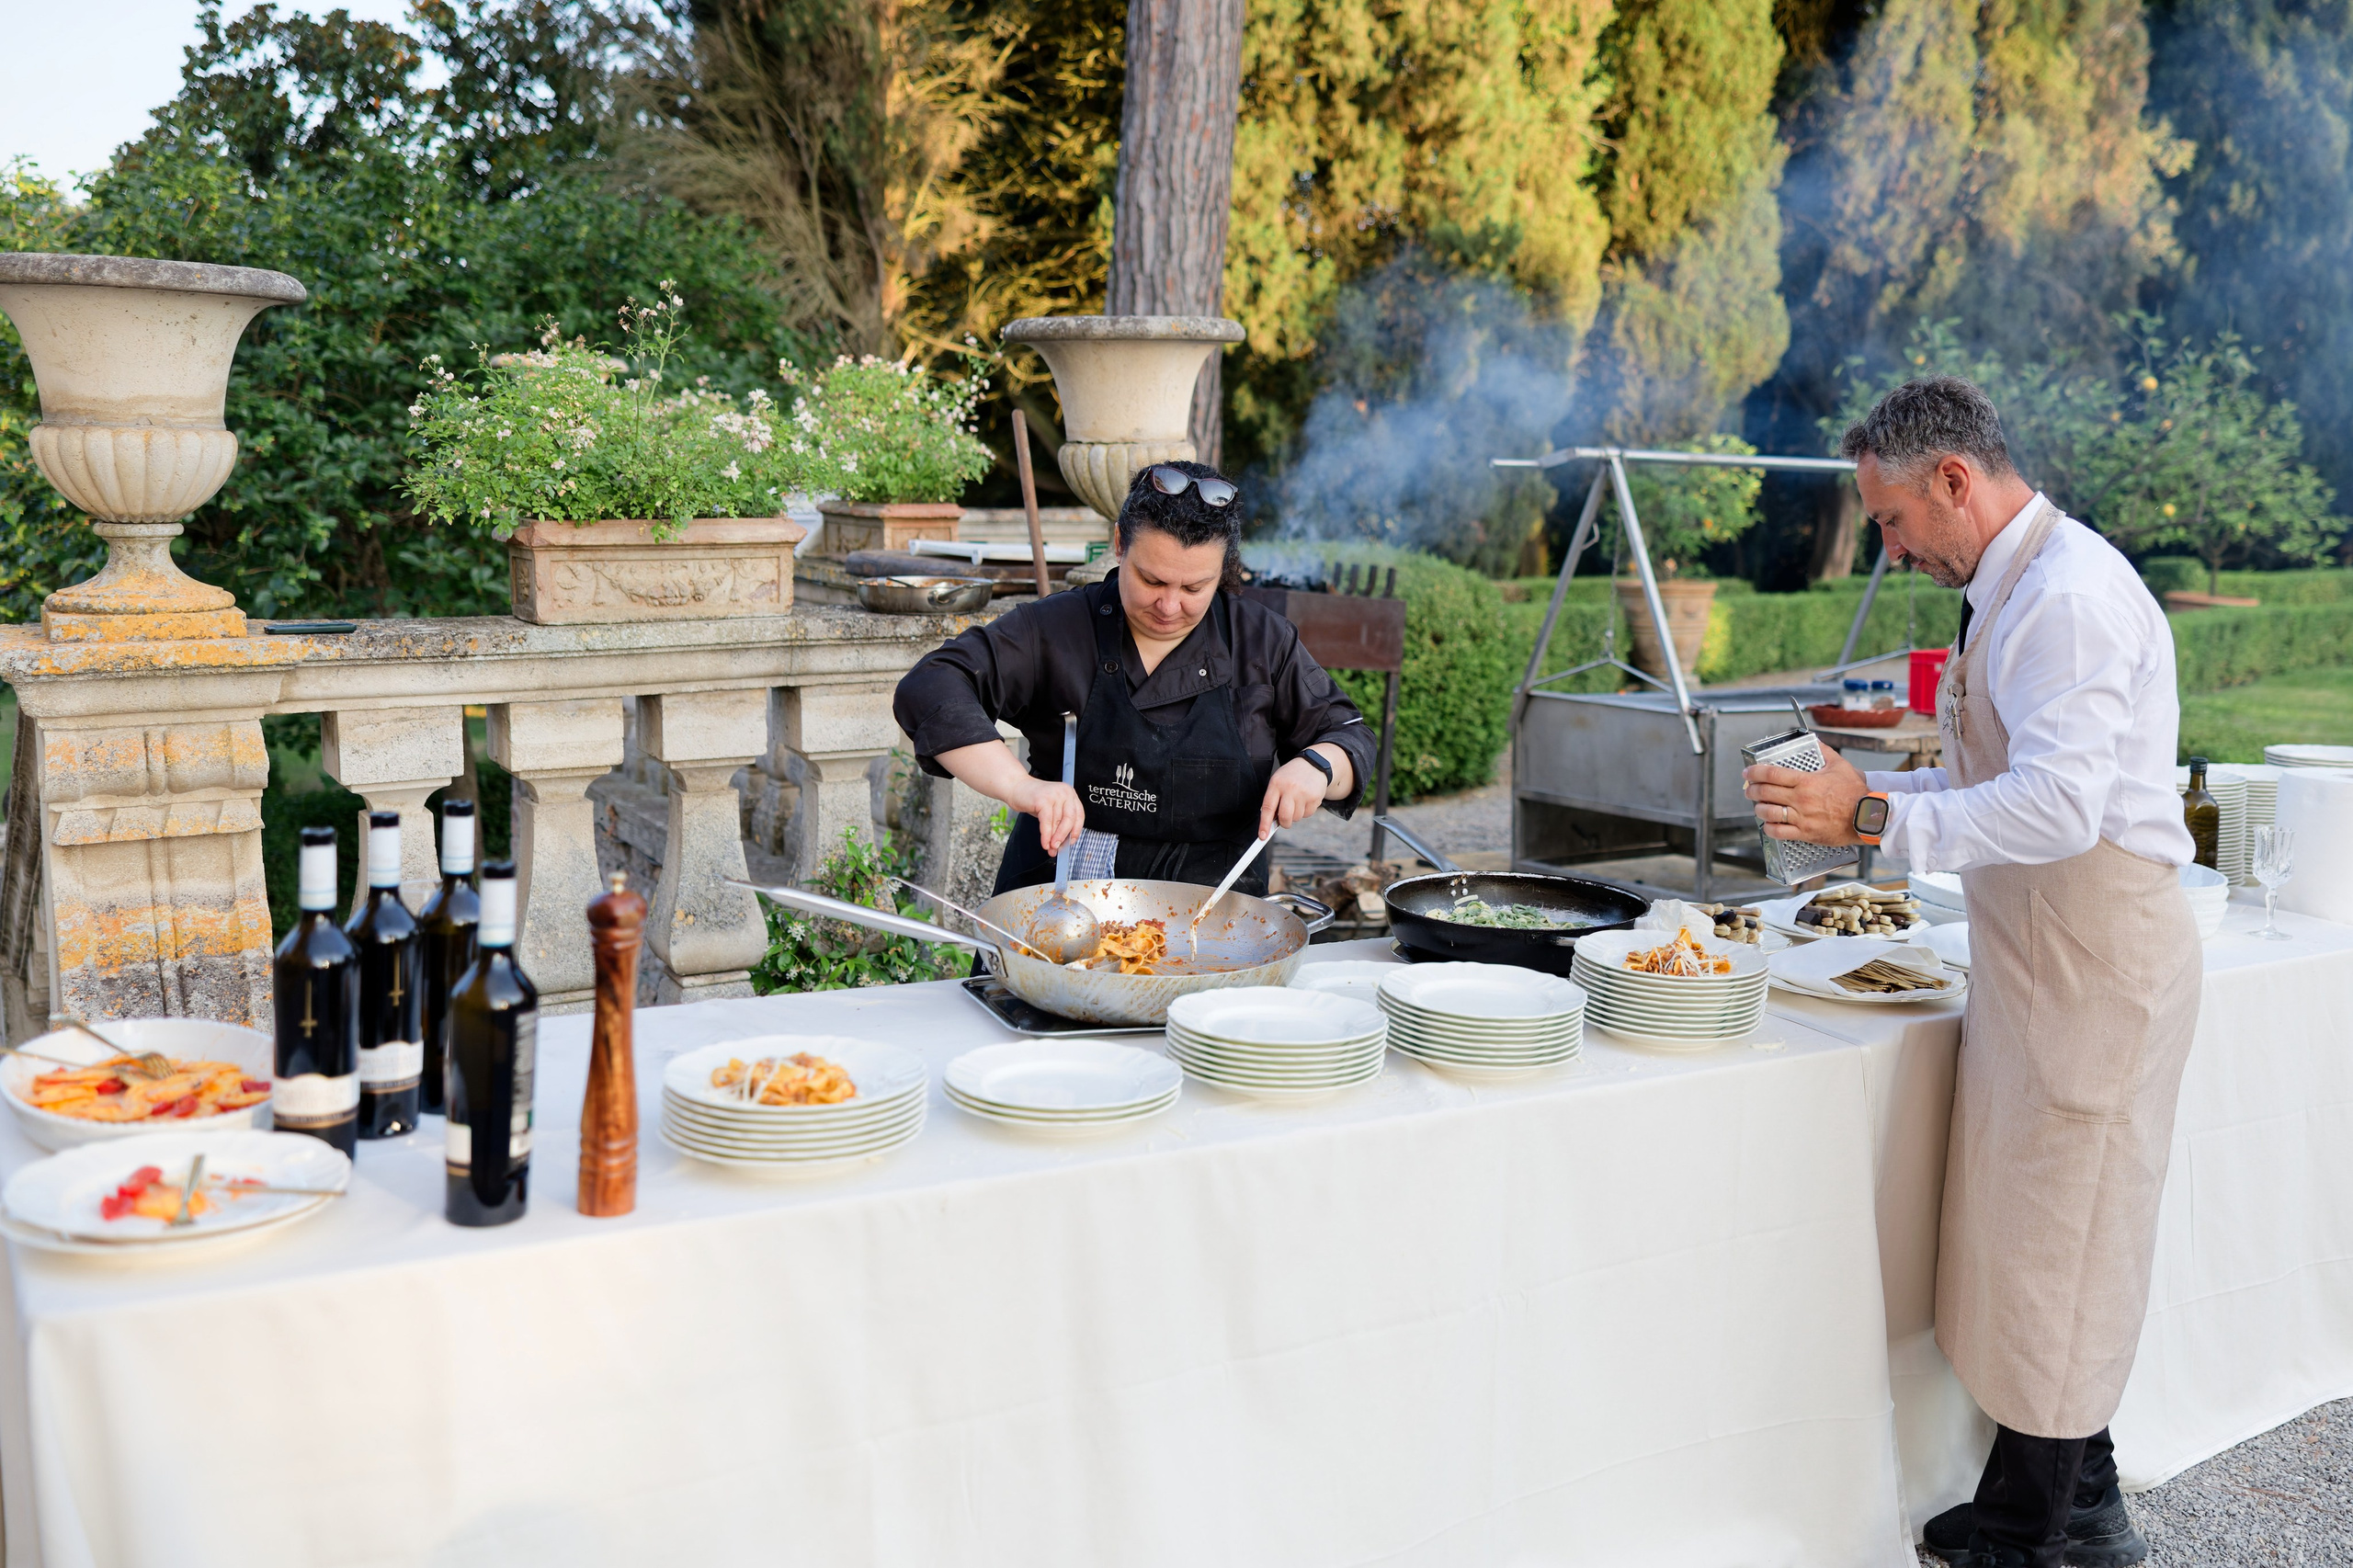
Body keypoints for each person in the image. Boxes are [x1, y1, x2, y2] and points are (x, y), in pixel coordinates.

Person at [1742, 378, 2197, 1568]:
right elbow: (1999, 784)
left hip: (2100, 965)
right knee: (2032, 1238)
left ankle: (2032, 1535)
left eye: (1891, 522)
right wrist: (1855, 814)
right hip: (2039, 958)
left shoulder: (2071, 600)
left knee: (2069, 1246)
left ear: (1955, 480)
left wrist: (1876, 812)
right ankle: (2080, 1503)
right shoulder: (2014, 586)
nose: (1887, 550)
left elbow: (2057, 806)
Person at [893, 460, 1374, 897]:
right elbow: (932, 685)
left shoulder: (1261, 641)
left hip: (1214, 911)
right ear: (1120, 545)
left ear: (1224, 569)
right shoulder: (1056, 629)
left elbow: (1349, 736)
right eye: (1151, 580)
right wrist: (1022, 788)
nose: (1169, 606)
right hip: (1060, 904)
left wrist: (1318, 766)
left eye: (1194, 587)